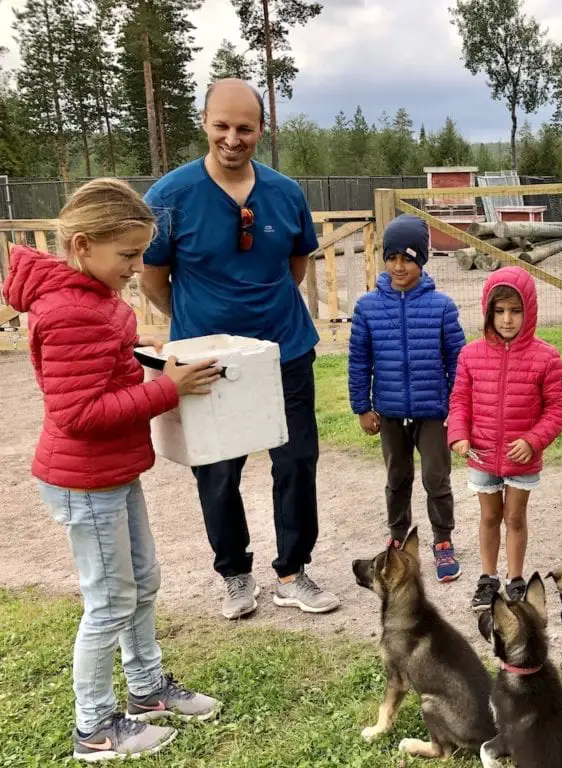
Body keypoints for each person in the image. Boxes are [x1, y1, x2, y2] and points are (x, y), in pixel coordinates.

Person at [1, 179, 224, 761]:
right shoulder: (70, 310)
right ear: (82, 246)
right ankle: (95, 726)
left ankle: (147, 692)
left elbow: (96, 368)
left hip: (112, 471)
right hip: (85, 477)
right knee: (108, 601)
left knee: (142, 581)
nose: (136, 267)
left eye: (140, 253)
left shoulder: (89, 297)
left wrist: (131, 351)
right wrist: (165, 390)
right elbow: (77, 413)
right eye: (127, 255)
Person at [140, 78, 340, 620]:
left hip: (284, 349)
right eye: (222, 126)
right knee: (217, 469)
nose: (233, 138)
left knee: (296, 461)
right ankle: (234, 573)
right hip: (205, 359)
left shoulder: (284, 193)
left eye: (245, 128)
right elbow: (153, 278)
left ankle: (294, 572)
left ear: (260, 129)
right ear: (204, 123)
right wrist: (193, 323)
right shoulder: (170, 197)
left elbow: (296, 265)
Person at [347, 213, 467, 581]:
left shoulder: (442, 307)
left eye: (408, 258)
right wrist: (363, 407)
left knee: (436, 477)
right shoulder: (367, 307)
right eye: (392, 257)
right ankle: (398, 538)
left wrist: (457, 407)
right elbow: (359, 360)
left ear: (422, 260)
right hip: (390, 413)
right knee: (397, 477)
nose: (399, 266)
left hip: (434, 413)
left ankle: (442, 540)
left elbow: (459, 362)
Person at [447, 266, 562, 611]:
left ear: (529, 311)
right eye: (499, 311)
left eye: (515, 311)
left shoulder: (546, 357)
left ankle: (515, 580)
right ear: (488, 311)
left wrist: (533, 440)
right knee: (489, 517)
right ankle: (488, 579)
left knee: (515, 517)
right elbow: (459, 399)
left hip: (522, 457)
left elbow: (558, 406)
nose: (507, 320)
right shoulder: (470, 355)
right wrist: (458, 433)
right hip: (482, 454)